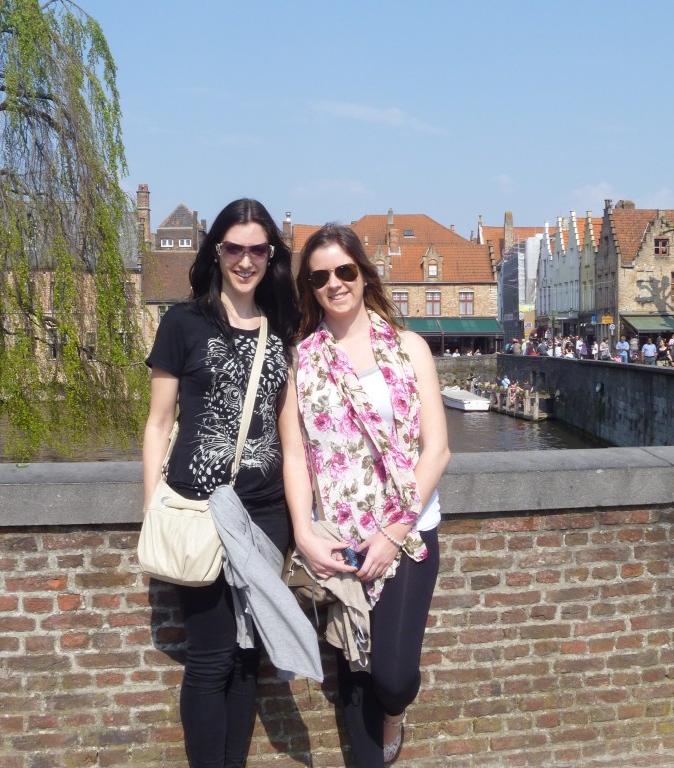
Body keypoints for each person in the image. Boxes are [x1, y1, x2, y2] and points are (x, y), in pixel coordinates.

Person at [141, 198, 301, 768]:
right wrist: (153, 506)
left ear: (270, 257)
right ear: (216, 251)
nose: (245, 259)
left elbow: (291, 437)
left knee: (247, 656)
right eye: (234, 247)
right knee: (210, 657)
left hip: (265, 512)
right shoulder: (184, 322)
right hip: (200, 508)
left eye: (258, 249)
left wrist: (301, 523)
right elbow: (159, 423)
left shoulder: (282, 327)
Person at [284, 224, 450, 768]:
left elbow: (437, 451)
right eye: (320, 276)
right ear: (308, 287)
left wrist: (394, 530)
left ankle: (397, 713)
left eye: (344, 271)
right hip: (339, 540)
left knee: (392, 677)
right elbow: (295, 456)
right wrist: (305, 535)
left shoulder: (410, 348)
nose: (334, 283)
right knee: (353, 679)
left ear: (363, 273)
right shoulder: (300, 362)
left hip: (406, 533)